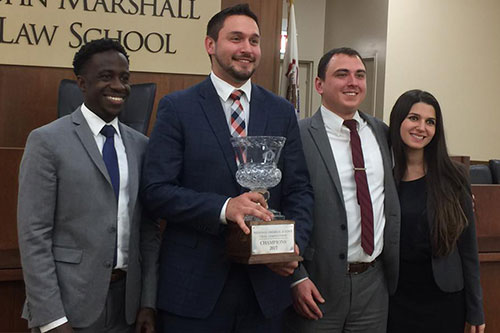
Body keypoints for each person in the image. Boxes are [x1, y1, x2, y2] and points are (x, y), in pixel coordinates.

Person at [141, 3, 313, 332]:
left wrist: (295, 244)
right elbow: (156, 192)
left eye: (254, 40)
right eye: (236, 38)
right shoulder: (178, 108)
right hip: (195, 291)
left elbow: (300, 189)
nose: (247, 49)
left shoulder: (281, 111)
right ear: (211, 45)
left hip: (265, 291)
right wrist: (225, 207)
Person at [17, 38, 160, 333]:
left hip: (126, 308)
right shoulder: (46, 141)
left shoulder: (143, 147)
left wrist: (148, 302)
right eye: (106, 77)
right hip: (68, 307)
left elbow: (148, 232)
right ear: (82, 84)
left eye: (124, 78)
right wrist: (52, 318)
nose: (118, 86)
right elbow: (34, 236)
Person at [284, 47, 400, 333]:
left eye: (360, 75)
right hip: (316, 285)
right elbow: (279, 208)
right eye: (342, 74)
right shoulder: (297, 136)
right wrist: (295, 277)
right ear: (319, 85)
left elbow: (417, 172)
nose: (353, 82)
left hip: (374, 285)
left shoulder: (382, 133)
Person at [387, 89, 485, 333]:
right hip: (396, 300)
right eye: (413, 118)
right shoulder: (383, 176)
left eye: (430, 122)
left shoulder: (455, 176)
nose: (422, 127)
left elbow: (469, 249)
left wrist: (476, 309)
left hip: (445, 300)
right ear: (398, 120)